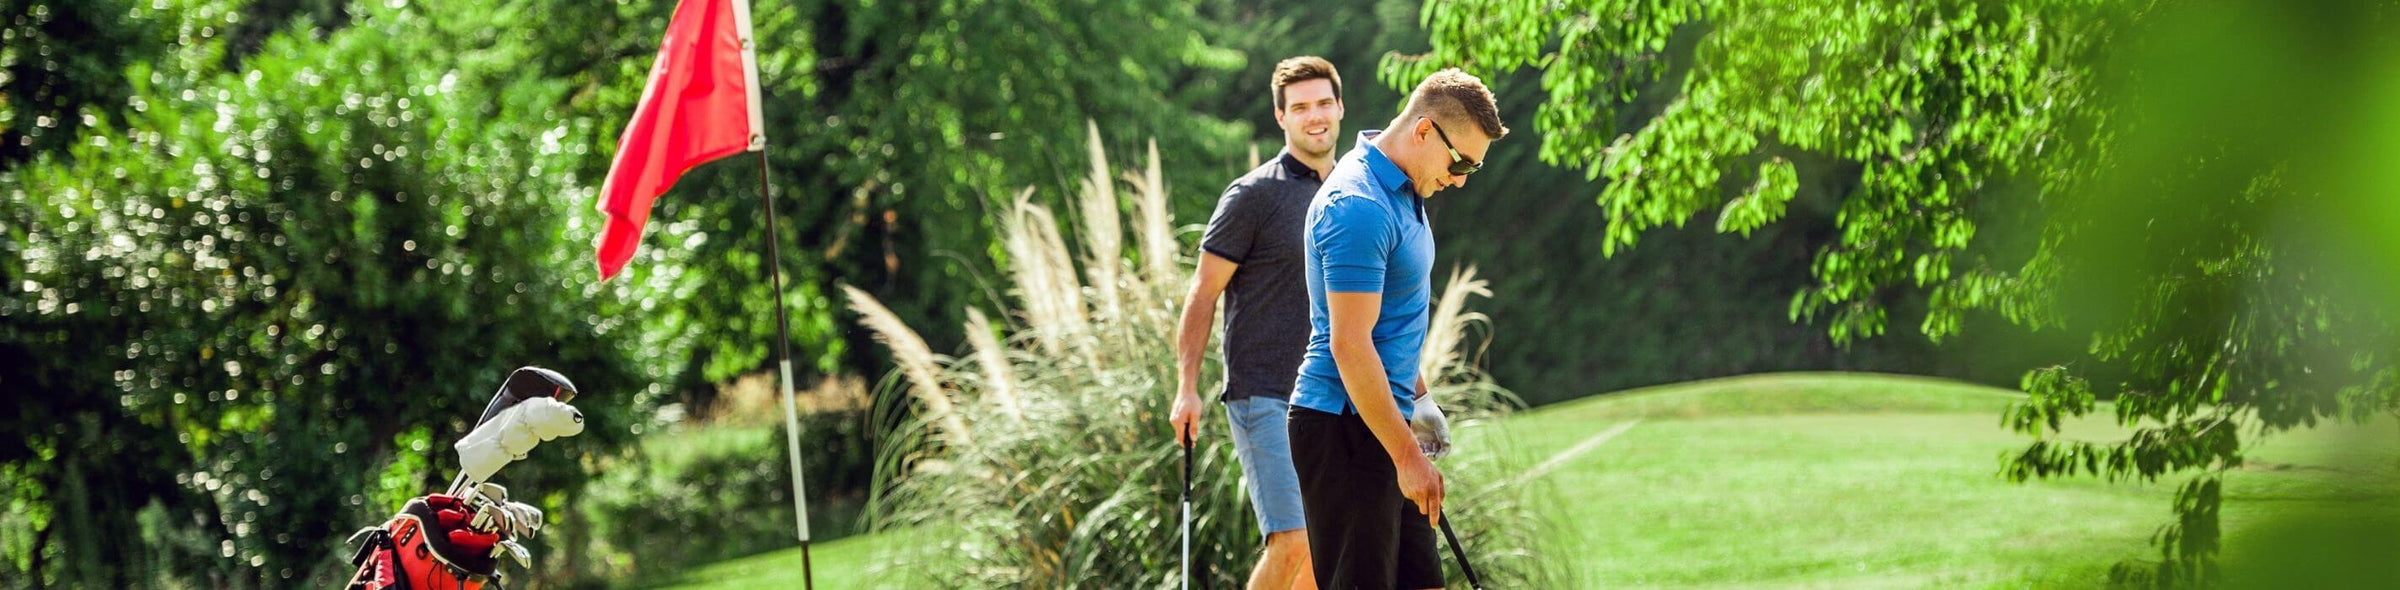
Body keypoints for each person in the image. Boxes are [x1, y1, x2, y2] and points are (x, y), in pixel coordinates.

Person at [1286, 68, 1504, 589]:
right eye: (1461, 162)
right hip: (1342, 427)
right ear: (1425, 130)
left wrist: (1420, 395)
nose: (1460, 179)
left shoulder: (1405, 190)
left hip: (1382, 416)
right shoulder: (1359, 205)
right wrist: (1407, 455)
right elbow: (1349, 343)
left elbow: (1389, 323)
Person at [1169, 55, 1347, 590]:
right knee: (1291, 538)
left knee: (1322, 548)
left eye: (1322, 104)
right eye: (1300, 108)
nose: (1313, 116)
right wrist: (1186, 388)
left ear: (1340, 108)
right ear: (1281, 117)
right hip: (1264, 395)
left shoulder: (1352, 192)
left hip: (1332, 396)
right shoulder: (1253, 195)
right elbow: (1202, 293)